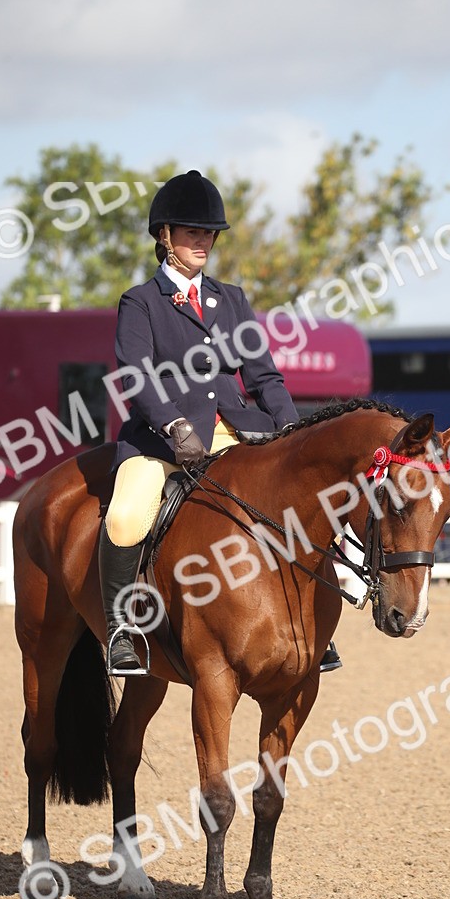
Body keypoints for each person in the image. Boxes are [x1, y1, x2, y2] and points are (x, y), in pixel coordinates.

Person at [100, 169, 342, 677]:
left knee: (304, 498)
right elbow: (137, 377)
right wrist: (172, 426)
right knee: (125, 515)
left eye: (209, 233)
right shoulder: (140, 303)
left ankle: (316, 622)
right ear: (164, 236)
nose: (204, 241)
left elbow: (263, 375)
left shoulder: (230, 299)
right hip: (161, 439)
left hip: (234, 429)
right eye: (193, 232)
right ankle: (123, 628)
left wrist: (293, 432)